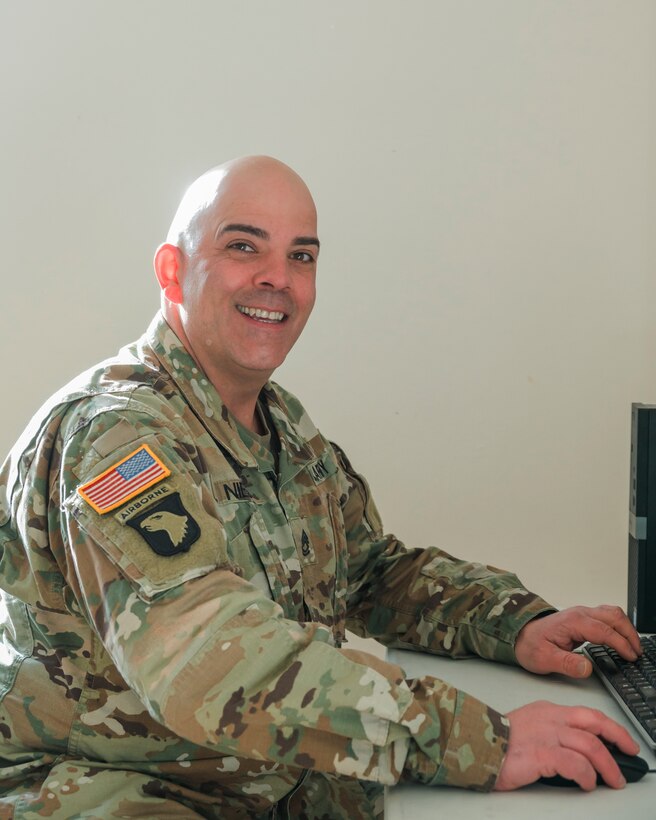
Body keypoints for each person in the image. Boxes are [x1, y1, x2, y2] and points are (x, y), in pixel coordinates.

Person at [0, 156, 643, 819]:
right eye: (243, 246)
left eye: (301, 256)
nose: (276, 278)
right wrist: (478, 740)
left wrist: (516, 623)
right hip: (120, 792)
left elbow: (369, 574)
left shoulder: (279, 426)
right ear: (173, 269)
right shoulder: (115, 439)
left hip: (275, 785)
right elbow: (206, 666)